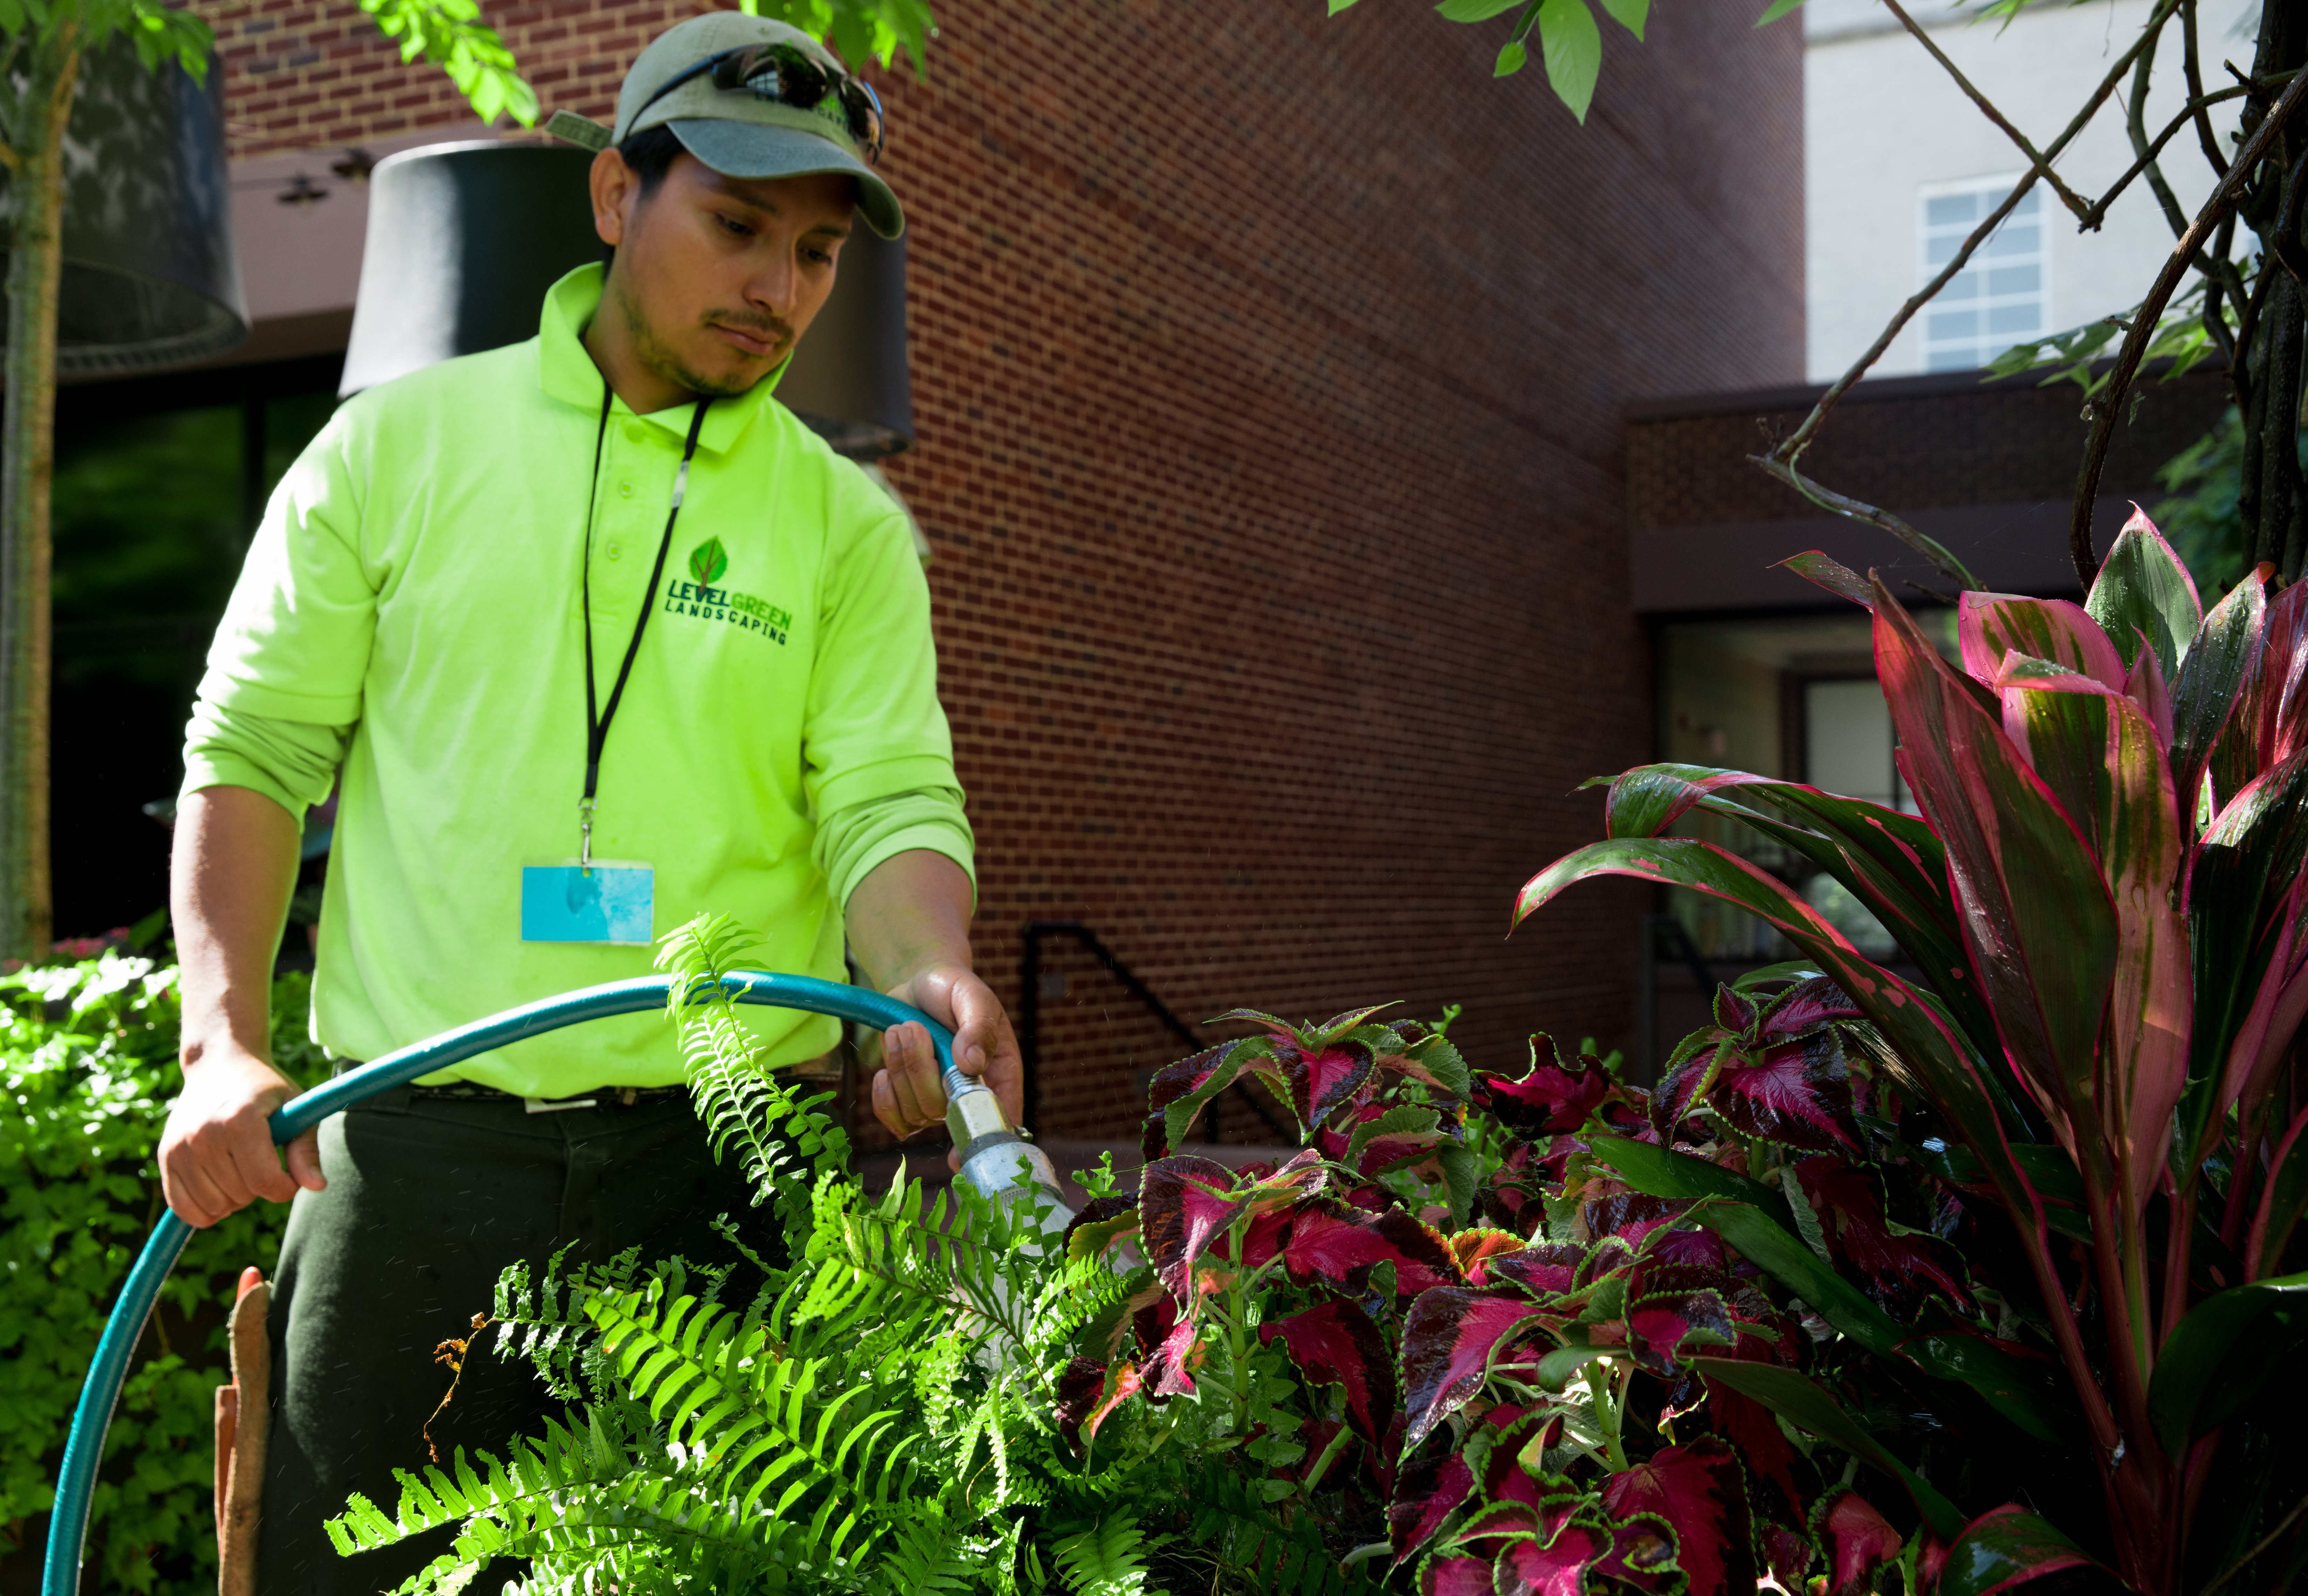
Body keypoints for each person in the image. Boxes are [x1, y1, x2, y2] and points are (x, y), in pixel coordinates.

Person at [155, 16, 1017, 1592]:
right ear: (619, 194)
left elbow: (888, 804)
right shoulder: (391, 452)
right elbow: (255, 751)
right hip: (405, 1162)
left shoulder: (849, 531)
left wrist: (924, 977)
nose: (779, 287)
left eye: (818, 253)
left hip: (729, 1178)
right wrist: (224, 1039)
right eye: (737, 226)